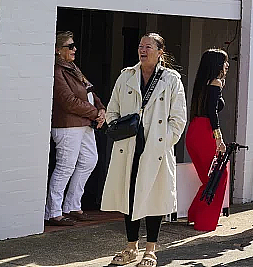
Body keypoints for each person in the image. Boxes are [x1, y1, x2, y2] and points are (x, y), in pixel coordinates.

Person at [102, 33, 187, 267]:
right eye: (140, 46)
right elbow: (112, 112)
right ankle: (131, 247)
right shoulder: (126, 77)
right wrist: (119, 130)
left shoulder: (171, 80)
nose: (143, 50)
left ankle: (151, 250)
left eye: (148, 46)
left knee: (154, 197)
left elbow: (178, 120)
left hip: (156, 149)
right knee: (129, 196)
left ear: (160, 52)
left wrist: (162, 142)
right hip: (129, 147)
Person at [44, 31, 106, 226]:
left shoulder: (72, 68)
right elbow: (68, 101)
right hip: (68, 125)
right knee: (65, 166)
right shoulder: (56, 71)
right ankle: (53, 212)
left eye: (74, 46)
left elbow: (90, 91)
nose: (74, 49)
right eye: (70, 46)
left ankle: (71, 205)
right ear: (57, 50)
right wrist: (94, 113)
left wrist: (101, 108)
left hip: (84, 123)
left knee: (89, 160)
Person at [186, 49, 230, 232]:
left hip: (194, 130)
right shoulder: (215, 82)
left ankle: (195, 214)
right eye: (224, 61)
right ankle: (205, 221)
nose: (227, 65)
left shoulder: (202, 83)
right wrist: (219, 138)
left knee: (209, 178)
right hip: (205, 132)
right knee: (219, 176)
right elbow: (212, 113)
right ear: (217, 65)